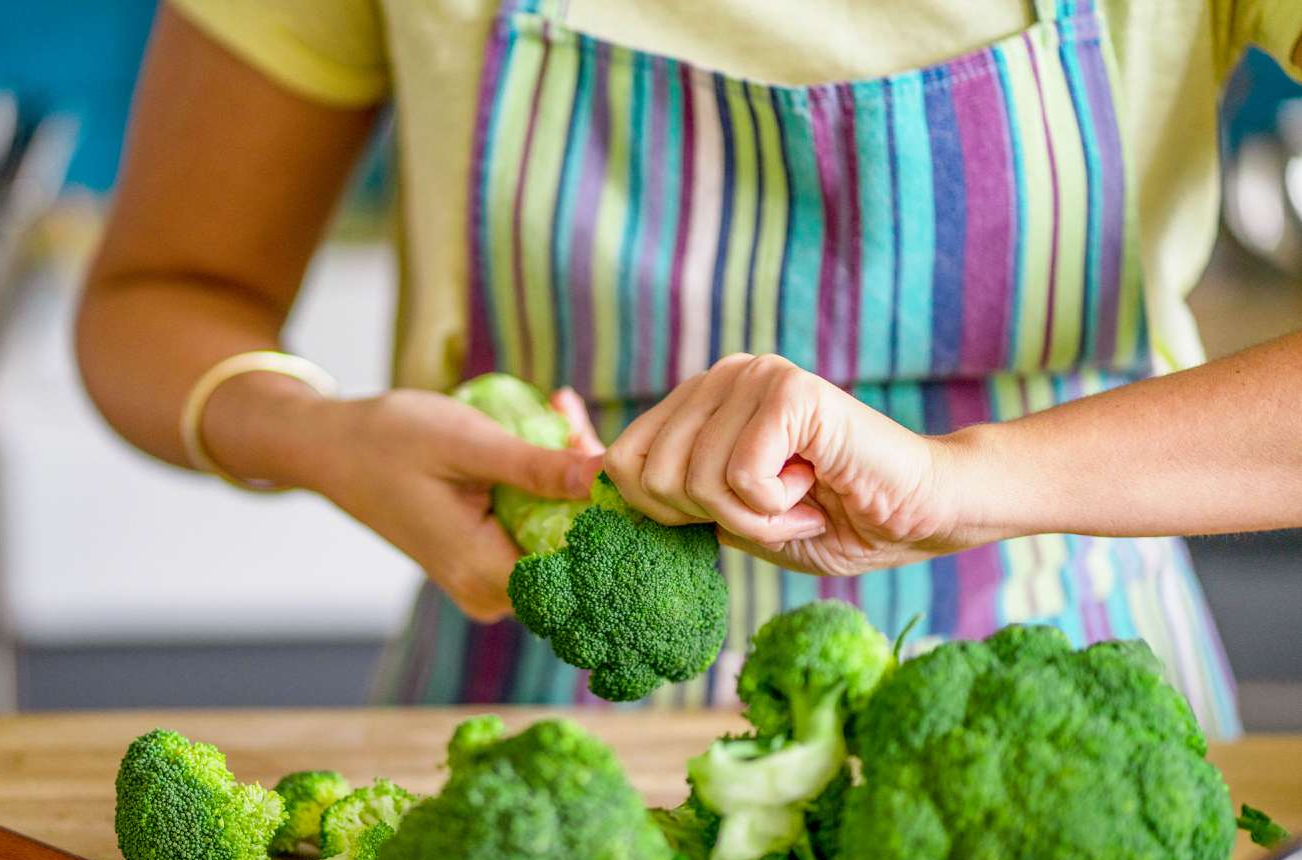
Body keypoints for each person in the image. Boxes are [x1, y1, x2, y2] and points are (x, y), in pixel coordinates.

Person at [77, 0, 1302, 738]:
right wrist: (312, 431)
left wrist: (965, 479)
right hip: (531, 705)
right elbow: (159, 297)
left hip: (1070, 703)